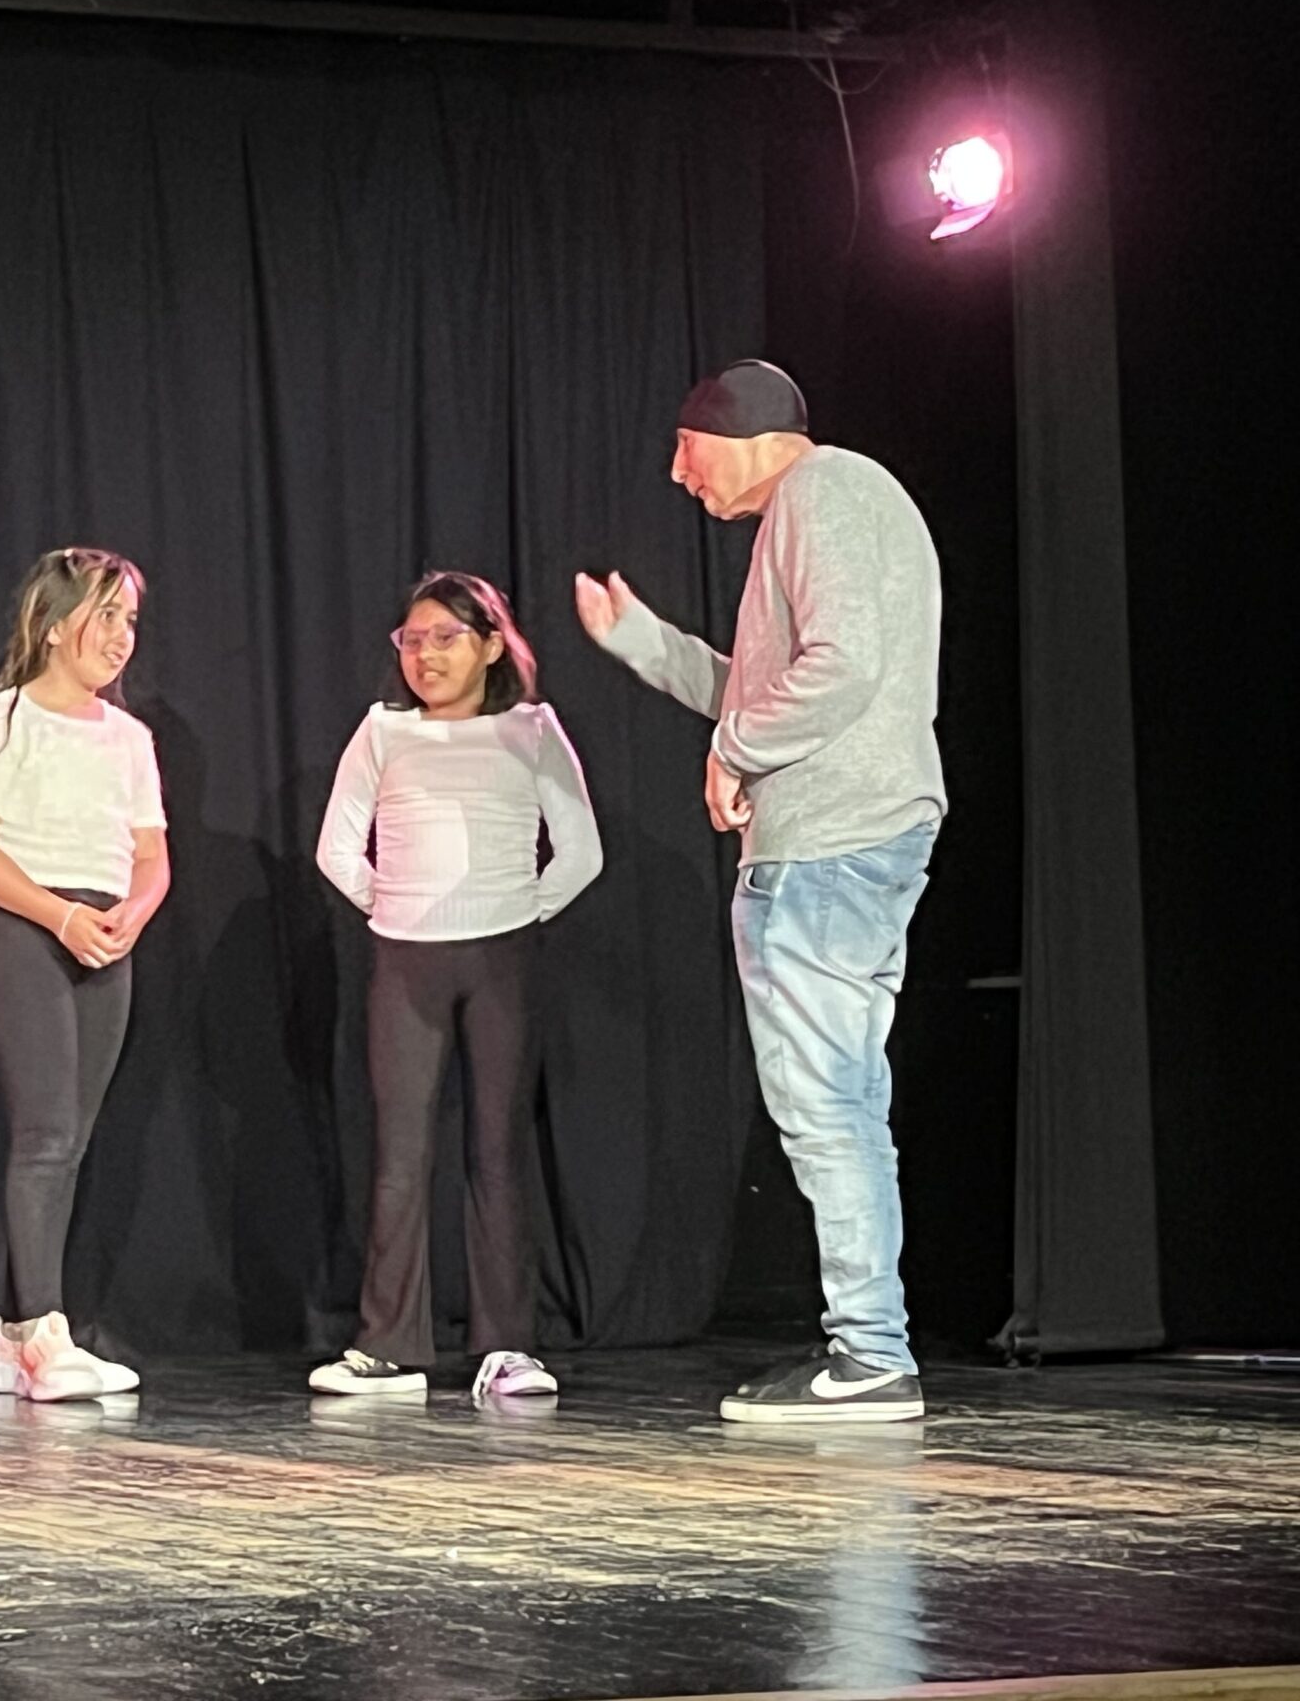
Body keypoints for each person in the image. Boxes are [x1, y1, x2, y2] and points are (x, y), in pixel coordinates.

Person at [575, 359, 943, 1424]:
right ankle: (868, 1346)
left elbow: (841, 667)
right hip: (843, 834)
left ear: (738, 432)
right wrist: (643, 644)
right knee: (837, 1102)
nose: (677, 474)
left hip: (829, 840)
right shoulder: (823, 505)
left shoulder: (826, 490)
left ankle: (871, 1355)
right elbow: (764, 686)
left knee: (825, 1105)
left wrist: (733, 753)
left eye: (685, 450)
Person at [311, 572, 602, 1404]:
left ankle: (507, 1347)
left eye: (446, 637)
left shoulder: (531, 729)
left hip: (502, 960)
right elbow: (337, 849)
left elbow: (581, 852)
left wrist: (515, 912)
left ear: (490, 645)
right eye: (413, 639)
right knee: (400, 1155)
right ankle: (387, 1345)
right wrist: (395, 907)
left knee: (497, 1149)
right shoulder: (383, 731)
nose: (427, 655)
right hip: (405, 962)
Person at [0, 548, 169, 1404]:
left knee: (69, 1142)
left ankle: (15, 1338)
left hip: (104, 938)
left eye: (129, 620)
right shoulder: (7, 718)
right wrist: (60, 915)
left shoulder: (131, 738)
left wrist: (131, 914)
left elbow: (151, 855)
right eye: (105, 615)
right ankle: (44, 1334)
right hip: (23, 930)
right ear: (52, 624)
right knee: (42, 1135)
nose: (121, 636)